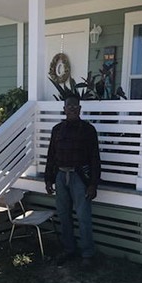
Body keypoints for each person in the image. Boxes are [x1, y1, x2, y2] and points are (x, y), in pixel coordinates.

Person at [45, 95, 101, 267]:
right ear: (64, 109)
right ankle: (69, 249)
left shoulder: (88, 130)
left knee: (83, 216)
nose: (72, 109)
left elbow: (94, 158)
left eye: (75, 106)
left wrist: (93, 184)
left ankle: (87, 254)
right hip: (61, 176)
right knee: (64, 215)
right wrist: (48, 179)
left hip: (79, 177)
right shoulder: (57, 130)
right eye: (69, 106)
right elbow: (51, 156)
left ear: (80, 109)